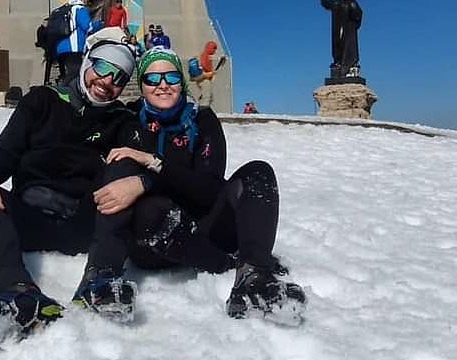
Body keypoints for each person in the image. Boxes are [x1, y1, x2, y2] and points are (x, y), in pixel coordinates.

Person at [72, 47, 307, 326]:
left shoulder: (201, 120)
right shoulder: (127, 121)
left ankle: (254, 274)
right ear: (142, 86)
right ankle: (224, 264)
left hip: (205, 223)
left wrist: (150, 171)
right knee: (149, 209)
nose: (162, 86)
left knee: (258, 172)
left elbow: (209, 190)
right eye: (152, 79)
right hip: (156, 240)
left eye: (171, 78)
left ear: (182, 83)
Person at [0, 31, 138, 345]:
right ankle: (18, 294)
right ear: (86, 62)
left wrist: (137, 181)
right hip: (30, 217)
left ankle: (100, 278)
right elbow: (6, 152)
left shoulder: (122, 121)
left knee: (125, 168)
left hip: (84, 222)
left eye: (119, 77)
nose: (107, 80)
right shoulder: (41, 101)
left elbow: (141, 162)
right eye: (102, 67)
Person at [55, 0, 102, 85]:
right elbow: (88, 27)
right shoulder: (79, 9)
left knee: (71, 73)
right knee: (75, 72)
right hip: (73, 48)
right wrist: (100, 24)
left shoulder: (66, 9)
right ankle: (61, 92)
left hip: (61, 48)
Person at [321, 0, 362, 77]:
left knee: (348, 43)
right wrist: (334, 4)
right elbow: (325, 2)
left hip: (349, 24)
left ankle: (349, 66)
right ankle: (338, 63)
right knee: (338, 41)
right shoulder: (337, 4)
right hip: (338, 21)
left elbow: (358, 14)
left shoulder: (351, 3)